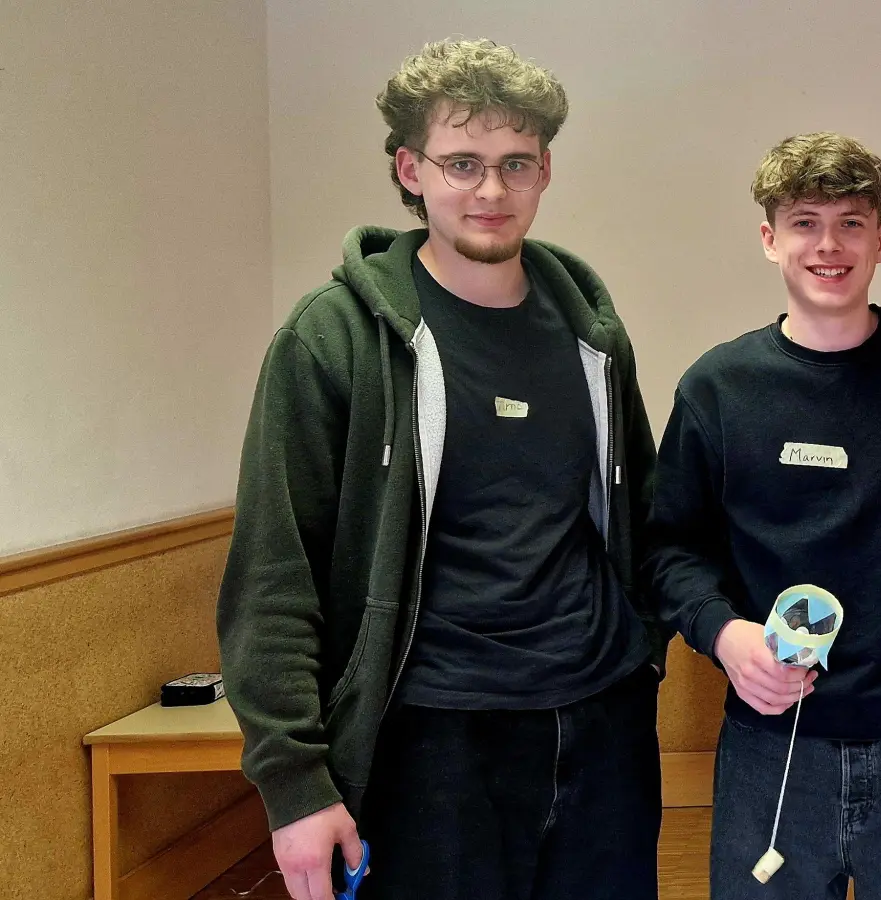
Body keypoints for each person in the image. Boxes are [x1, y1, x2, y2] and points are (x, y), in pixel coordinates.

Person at [217, 39, 666, 900]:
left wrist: (642, 649)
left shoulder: (594, 342)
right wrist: (294, 783)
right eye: (462, 162)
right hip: (429, 746)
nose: (491, 190)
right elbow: (275, 575)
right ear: (410, 170)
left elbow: (642, 517)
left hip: (601, 727)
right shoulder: (332, 340)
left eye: (515, 164)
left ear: (544, 172)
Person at [649, 132, 881, 900]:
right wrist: (725, 636)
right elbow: (669, 549)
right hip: (770, 752)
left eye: (852, 222)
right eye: (804, 221)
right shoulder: (718, 388)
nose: (830, 245)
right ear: (770, 238)